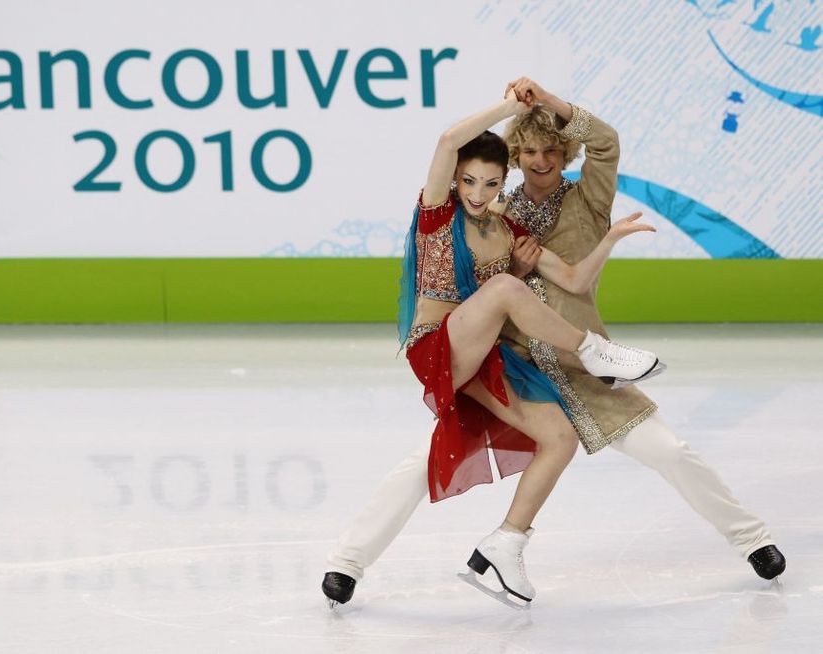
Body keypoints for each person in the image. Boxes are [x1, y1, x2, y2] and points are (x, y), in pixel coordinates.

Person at [323, 89, 663, 607]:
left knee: (559, 438)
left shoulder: (507, 230)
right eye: (468, 181)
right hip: (438, 349)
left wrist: (608, 239)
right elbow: (447, 140)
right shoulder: (438, 215)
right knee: (505, 289)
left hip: (484, 358)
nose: (478, 193)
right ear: (454, 179)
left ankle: (505, 542)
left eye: (490, 183)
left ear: (505, 181)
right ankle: (593, 352)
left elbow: (573, 279)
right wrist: (510, 108)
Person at [497, 77, 785, 579]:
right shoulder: (496, 212)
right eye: (529, 151)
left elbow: (605, 141)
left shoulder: (588, 201)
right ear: (515, 155)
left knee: (671, 451)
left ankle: (752, 539)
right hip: (517, 371)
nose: (540, 160)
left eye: (551, 150)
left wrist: (546, 101)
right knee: (429, 459)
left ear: (565, 152)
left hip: (586, 367)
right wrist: (514, 272)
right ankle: (353, 560)